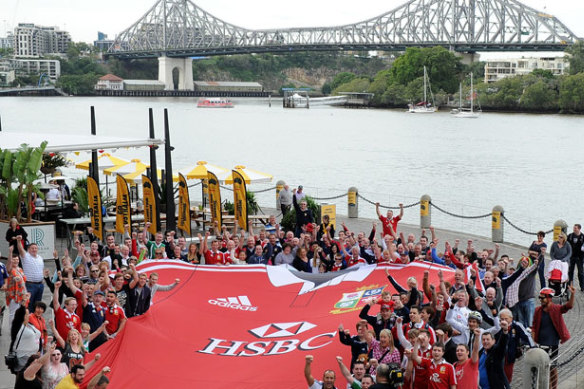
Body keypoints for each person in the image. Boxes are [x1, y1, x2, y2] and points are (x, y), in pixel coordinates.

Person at [532, 285, 575, 389]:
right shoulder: (538, 310)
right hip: (541, 343)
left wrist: (572, 294)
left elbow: (568, 306)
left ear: (549, 298)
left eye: (543, 298)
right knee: (541, 367)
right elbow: (533, 326)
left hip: (553, 344)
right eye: (540, 298)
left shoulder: (556, 308)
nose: (541, 300)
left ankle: (553, 387)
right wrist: (533, 342)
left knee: (552, 367)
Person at [497, 308, 536, 383]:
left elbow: (527, 336)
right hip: (498, 355)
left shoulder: (516, 325)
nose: (504, 321)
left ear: (511, 318)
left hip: (510, 356)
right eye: (502, 319)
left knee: (507, 377)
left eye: (506, 319)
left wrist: (533, 347)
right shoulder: (498, 327)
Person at [478, 319, 510, 389]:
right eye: (483, 340)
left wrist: (505, 331)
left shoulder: (496, 351)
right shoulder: (480, 352)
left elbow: (502, 344)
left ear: (493, 341)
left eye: (488, 339)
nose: (485, 341)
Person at [11, 304, 42, 373]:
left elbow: (38, 336)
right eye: (27, 314)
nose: (29, 315)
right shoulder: (18, 327)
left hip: (34, 357)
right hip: (23, 358)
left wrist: (39, 350)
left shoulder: (30, 325)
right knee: (23, 378)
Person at [16, 237, 45, 311]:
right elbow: (20, 249)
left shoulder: (40, 258)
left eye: (35, 248)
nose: (34, 250)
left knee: (38, 305)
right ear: (28, 249)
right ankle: (28, 320)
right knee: (29, 304)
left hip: (40, 285)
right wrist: (19, 241)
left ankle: (36, 320)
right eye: (32, 248)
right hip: (30, 285)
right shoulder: (25, 256)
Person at [567, 223, 584, 291]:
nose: (574, 229)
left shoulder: (583, 237)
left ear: (579, 229)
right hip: (571, 257)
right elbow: (566, 244)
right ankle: (569, 285)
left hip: (580, 258)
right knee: (570, 272)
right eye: (574, 228)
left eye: (575, 228)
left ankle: (582, 286)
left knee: (580, 272)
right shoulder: (570, 236)